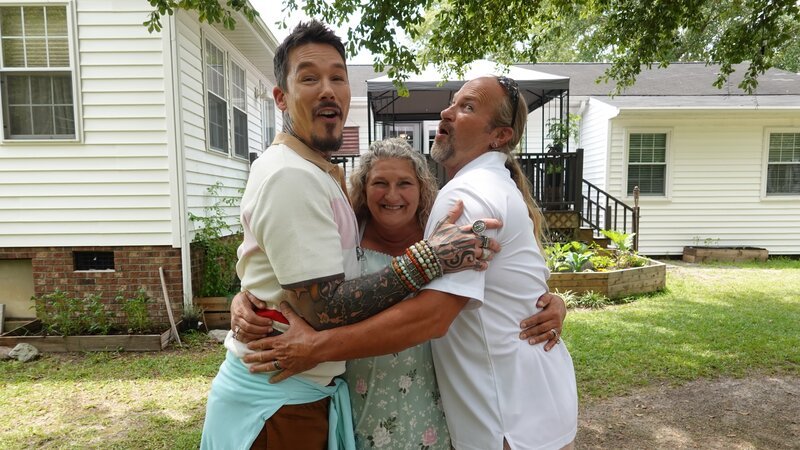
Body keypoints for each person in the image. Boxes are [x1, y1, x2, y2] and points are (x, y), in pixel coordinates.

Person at [199, 21, 503, 450]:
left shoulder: (316, 173)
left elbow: (272, 264)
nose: (327, 90)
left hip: (302, 395)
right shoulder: (291, 175)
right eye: (309, 78)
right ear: (281, 97)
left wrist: (549, 302)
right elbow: (323, 309)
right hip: (277, 400)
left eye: (338, 78)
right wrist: (427, 259)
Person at [245, 75, 578, 450]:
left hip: (506, 422)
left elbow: (433, 317)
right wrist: (245, 298)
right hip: (498, 410)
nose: (447, 112)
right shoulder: (353, 234)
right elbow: (307, 279)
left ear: (499, 136)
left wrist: (315, 348)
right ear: (363, 188)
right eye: (453, 102)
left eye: (467, 107)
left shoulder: (466, 198)